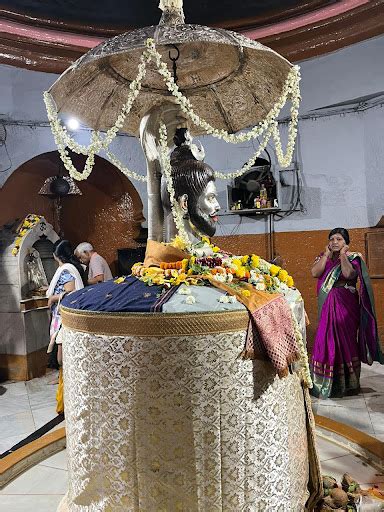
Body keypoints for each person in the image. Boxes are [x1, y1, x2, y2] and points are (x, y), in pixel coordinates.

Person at [310, 227, 383, 399]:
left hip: (346, 305)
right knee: (324, 339)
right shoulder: (323, 256)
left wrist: (343, 255)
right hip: (327, 304)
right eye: (332, 239)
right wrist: (327, 256)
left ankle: (348, 383)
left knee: (346, 341)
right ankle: (324, 383)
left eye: (339, 239)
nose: (335, 242)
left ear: (346, 242)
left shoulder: (354, 257)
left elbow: (348, 273)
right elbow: (315, 273)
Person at [46, 240, 86, 411]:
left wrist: (53, 298)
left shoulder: (65, 270)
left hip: (64, 317)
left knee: (63, 359)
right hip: (65, 315)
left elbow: (70, 291)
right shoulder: (73, 267)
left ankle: (67, 398)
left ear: (56, 255)